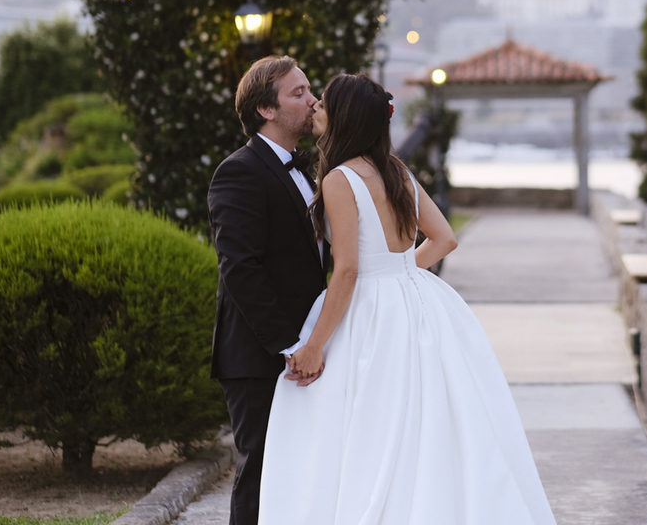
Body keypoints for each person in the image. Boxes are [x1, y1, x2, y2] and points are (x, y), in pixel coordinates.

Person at [258, 73, 557, 525]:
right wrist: (398, 273)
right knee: (422, 419)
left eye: (325, 102)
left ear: (344, 117)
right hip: (418, 301)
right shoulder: (396, 171)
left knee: (361, 423)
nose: (315, 106)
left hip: (370, 312)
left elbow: (348, 269)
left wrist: (315, 344)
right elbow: (445, 239)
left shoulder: (340, 179)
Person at [208, 56, 329, 525]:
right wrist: (289, 345)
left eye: (310, 89)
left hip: (304, 350)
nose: (312, 100)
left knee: (300, 474)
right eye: (298, 93)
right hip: (260, 356)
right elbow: (241, 267)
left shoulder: (305, 171)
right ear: (266, 110)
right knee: (259, 473)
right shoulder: (239, 171)